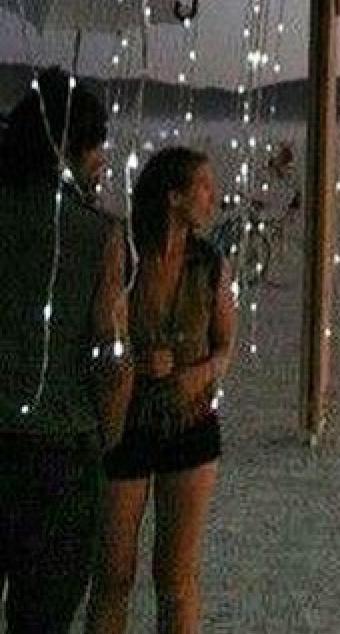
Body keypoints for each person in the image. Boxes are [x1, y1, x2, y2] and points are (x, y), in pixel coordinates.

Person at [0, 68, 131, 634]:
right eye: (96, 145)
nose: (102, 159)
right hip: (58, 453)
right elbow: (110, 353)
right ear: (71, 147)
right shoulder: (97, 233)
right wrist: (109, 432)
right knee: (42, 617)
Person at [87, 148, 235, 634]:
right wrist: (132, 358)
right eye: (203, 187)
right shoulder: (126, 253)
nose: (213, 197)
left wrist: (201, 373)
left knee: (176, 577)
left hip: (191, 425)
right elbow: (102, 332)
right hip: (125, 422)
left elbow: (225, 346)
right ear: (173, 196)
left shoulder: (209, 264)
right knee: (113, 574)